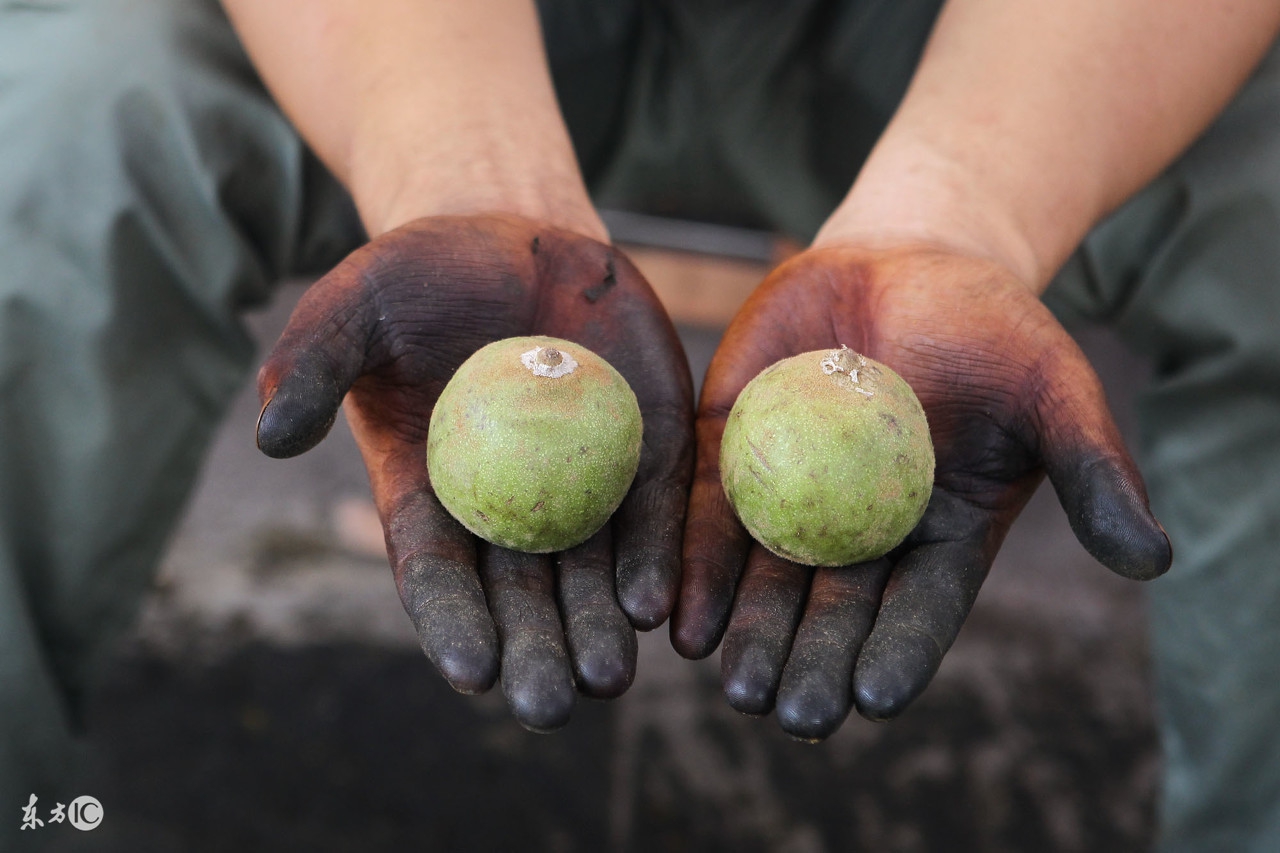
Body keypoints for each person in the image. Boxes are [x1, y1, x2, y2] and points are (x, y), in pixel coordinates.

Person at [1, 0, 1277, 850]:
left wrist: (965, 214)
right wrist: (460, 173)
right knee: (62, 132)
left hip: (977, 53)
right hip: (443, 35)